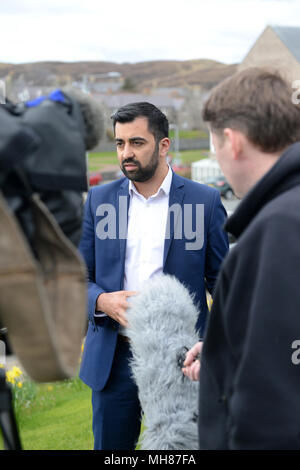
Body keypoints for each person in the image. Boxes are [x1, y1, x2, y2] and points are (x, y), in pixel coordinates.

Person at [79, 101, 229, 450]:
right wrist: (101, 300)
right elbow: (76, 278)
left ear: (164, 145)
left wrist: (219, 346)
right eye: (119, 144)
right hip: (115, 359)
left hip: (185, 360)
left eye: (136, 142)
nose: (126, 153)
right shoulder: (100, 201)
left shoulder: (202, 202)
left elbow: (225, 285)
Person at [183, 68, 300, 449]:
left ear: (232, 142)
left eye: (215, 145)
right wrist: (223, 350)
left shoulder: (279, 228)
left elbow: (274, 394)